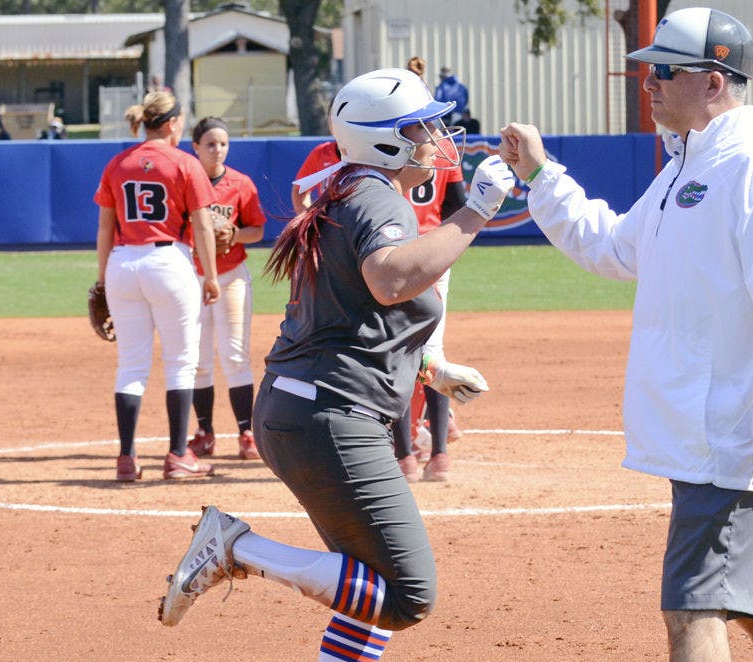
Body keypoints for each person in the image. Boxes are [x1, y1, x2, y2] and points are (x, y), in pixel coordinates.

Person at [499, 7, 753, 661]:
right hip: (707, 436)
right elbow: (613, 248)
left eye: (663, 70)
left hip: (736, 438)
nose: (648, 83)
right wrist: (542, 178)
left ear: (712, 81)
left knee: (691, 610)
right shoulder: (686, 169)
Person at [157, 68, 515, 659]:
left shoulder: (352, 189)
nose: (435, 137)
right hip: (329, 416)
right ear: (386, 140)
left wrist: (430, 365)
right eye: (421, 126)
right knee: (406, 597)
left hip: (307, 408)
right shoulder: (374, 195)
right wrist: (475, 211)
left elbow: (350, 311)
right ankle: (234, 549)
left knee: (365, 585)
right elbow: (390, 277)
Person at [93, 90, 221, 482]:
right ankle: (179, 455)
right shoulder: (184, 162)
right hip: (168, 262)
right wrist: (212, 275)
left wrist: (102, 281)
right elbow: (202, 224)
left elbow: (105, 227)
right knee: (180, 363)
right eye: (180, 121)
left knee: (131, 364)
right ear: (170, 124)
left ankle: (127, 459)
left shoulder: (118, 162)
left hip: (123, 262)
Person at [186, 117, 267, 462]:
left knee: (234, 355)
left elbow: (258, 230)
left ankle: (246, 432)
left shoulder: (240, 183)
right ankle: (204, 432)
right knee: (198, 360)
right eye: (210, 144)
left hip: (231, 274)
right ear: (195, 147)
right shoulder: (185, 181)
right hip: (191, 275)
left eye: (223, 144)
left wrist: (233, 233)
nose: (217, 150)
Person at [394, 147, 468, 483]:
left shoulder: (386, 140)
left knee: (396, 352)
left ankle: (404, 458)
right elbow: (456, 207)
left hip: (394, 252)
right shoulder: (445, 149)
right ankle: (439, 456)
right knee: (430, 353)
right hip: (435, 254)